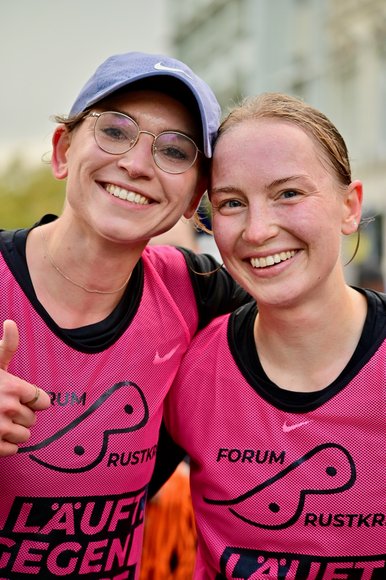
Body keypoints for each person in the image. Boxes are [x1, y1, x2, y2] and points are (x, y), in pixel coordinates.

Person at [0, 51, 251, 579]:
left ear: (192, 202)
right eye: (114, 131)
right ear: (63, 150)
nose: (137, 164)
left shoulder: (197, 293)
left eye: (175, 150)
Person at [155, 93, 386, 577]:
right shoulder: (187, 369)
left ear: (349, 207)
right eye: (232, 203)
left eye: (288, 193)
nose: (258, 231)